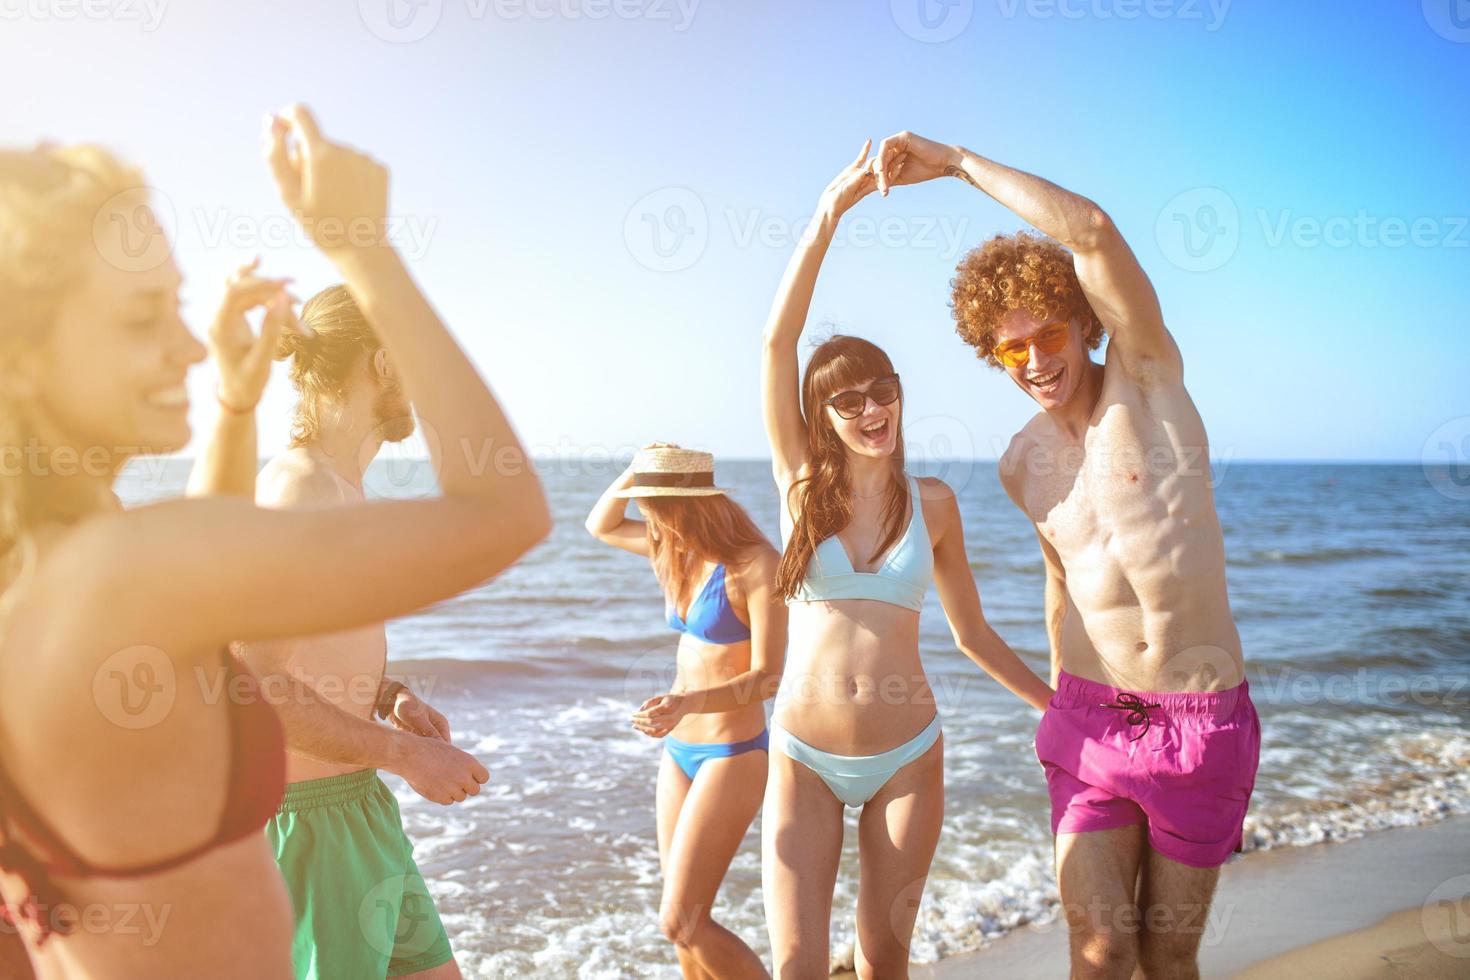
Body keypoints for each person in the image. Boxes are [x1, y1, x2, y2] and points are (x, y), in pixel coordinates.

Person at [0, 104, 550, 978]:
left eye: (178, 310)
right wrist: (364, 250)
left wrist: (233, 405)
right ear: (21, 356)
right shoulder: (109, 580)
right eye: (144, 319)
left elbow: (206, 567)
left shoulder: (59, 567)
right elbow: (506, 514)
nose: (188, 345)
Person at [870, 130, 1260, 979]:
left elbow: (1089, 229)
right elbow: (1064, 586)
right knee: (1097, 950)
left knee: (1165, 958)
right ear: (992, 355)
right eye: (1013, 349)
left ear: (1083, 322)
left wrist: (960, 165)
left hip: (1199, 721)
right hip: (1089, 721)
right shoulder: (1020, 465)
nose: (1037, 360)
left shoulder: (1148, 380)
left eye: (1048, 335)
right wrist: (1053, 703)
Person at [758, 142, 1053, 979]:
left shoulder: (937, 506)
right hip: (804, 757)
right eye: (847, 400)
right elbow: (777, 344)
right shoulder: (797, 487)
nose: (871, 408)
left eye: (881, 388)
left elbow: (975, 634)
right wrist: (830, 212)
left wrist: (1054, 705)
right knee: (797, 965)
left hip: (908, 757)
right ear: (823, 416)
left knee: (886, 959)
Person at [189, 273, 497, 979]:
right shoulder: (302, 494)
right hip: (307, 827)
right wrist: (408, 755)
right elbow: (253, 686)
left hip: (359, 810)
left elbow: (303, 661)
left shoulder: (340, 492)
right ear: (383, 364)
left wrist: (387, 697)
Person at [585, 444, 783, 980]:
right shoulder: (673, 549)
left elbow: (768, 676)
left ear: (686, 505)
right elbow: (599, 524)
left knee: (680, 921)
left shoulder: (756, 565)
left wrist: (687, 702)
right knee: (685, 921)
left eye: (653, 504)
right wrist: (640, 469)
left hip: (732, 754)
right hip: (679, 751)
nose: (645, 515)